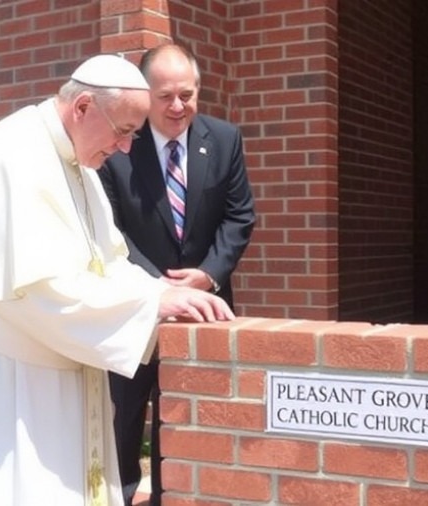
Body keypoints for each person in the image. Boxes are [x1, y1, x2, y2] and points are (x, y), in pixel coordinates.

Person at [0, 54, 235, 506]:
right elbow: (42, 289)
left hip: (43, 372)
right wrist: (150, 306)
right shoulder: (16, 156)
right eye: (122, 131)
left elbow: (106, 263)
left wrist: (162, 292)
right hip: (1, 379)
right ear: (82, 107)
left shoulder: (77, 162)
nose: (124, 148)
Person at [98, 43, 255, 505]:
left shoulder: (224, 139)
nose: (178, 106)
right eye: (165, 95)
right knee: (124, 423)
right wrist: (158, 288)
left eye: (187, 94)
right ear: (144, 93)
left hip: (200, 313)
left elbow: (239, 216)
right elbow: (110, 230)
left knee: (188, 421)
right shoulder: (119, 145)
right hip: (134, 311)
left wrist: (207, 276)